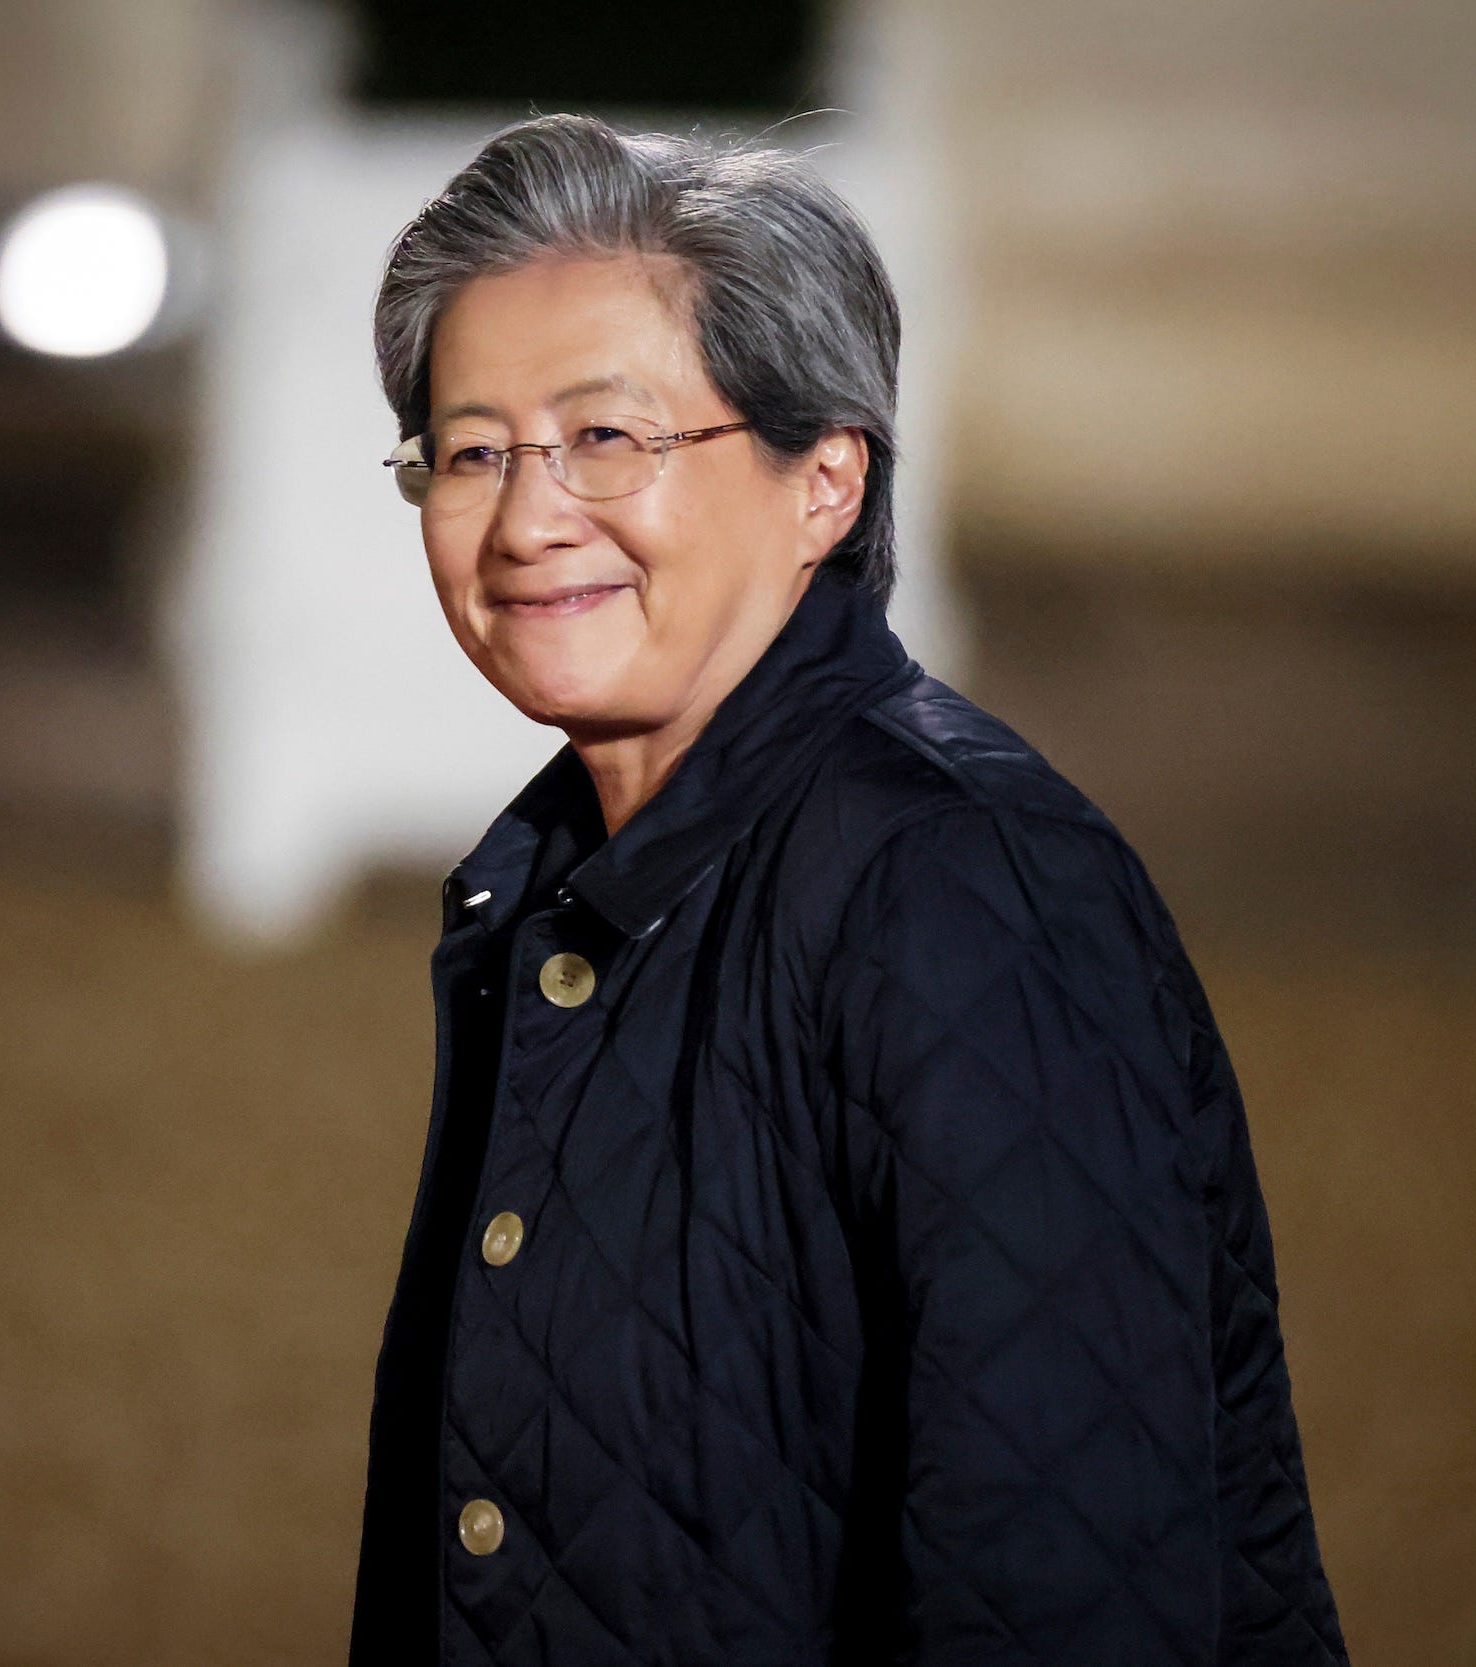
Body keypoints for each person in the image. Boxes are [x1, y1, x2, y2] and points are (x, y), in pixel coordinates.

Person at [349, 112, 1348, 1666]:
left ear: (826, 480)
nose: (529, 516)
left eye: (608, 438)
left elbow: (1061, 1587)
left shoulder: (960, 889)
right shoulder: (560, 893)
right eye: (473, 452)